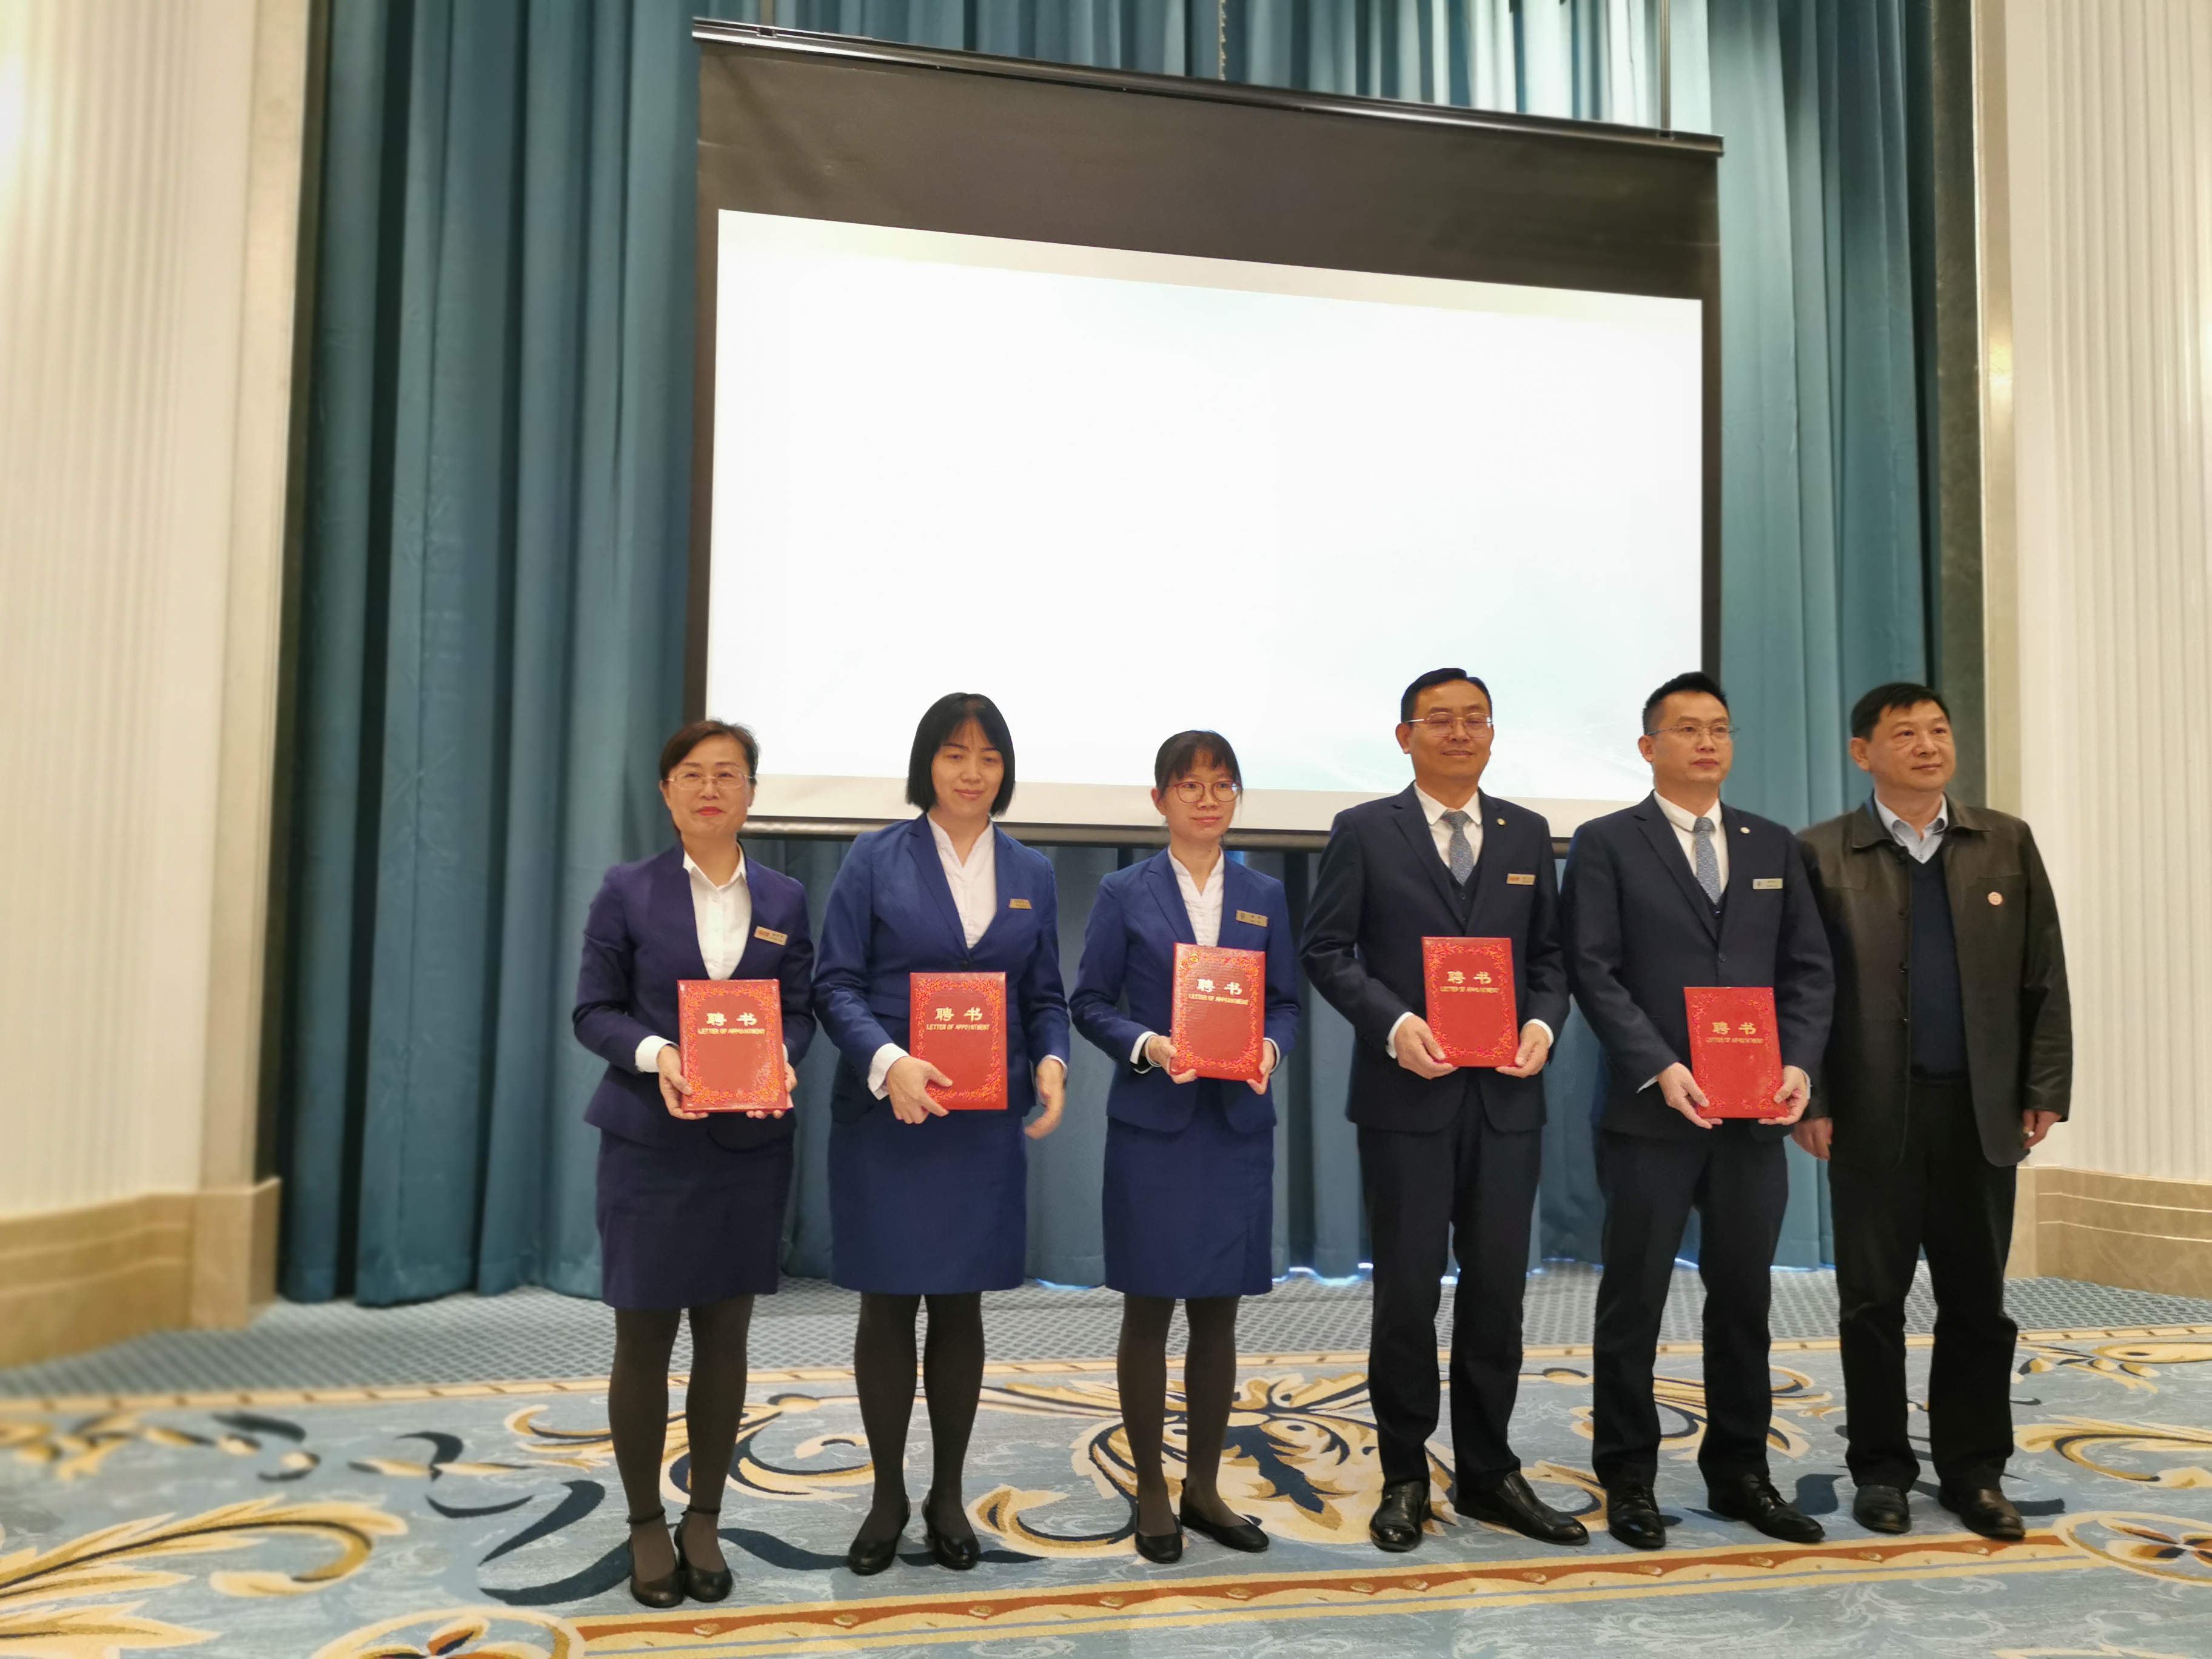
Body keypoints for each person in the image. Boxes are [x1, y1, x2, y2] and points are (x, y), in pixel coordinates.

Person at [1303, 669, 1583, 1554]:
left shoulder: (1526, 832)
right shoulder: (1364, 830)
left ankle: (1492, 1471)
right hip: (1406, 1098)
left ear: (1492, 734)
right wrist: (1394, 1024)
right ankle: (1404, 1475)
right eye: (1439, 720)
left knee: (1498, 1295)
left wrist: (1542, 1023)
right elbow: (1326, 949)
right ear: (1405, 736)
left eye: (1475, 719)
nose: (1459, 733)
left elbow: (1551, 958)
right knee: (1407, 1295)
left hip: (1507, 1099)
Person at [1559, 671, 1834, 1551]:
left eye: (1719, 728)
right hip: (1653, 1113)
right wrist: (1658, 1065)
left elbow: (1809, 969)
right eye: (1687, 729)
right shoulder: (1607, 843)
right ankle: (1628, 1476)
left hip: (1754, 1115)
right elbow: (1593, 969)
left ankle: (1741, 1471)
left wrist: (1799, 1065)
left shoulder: (1771, 844)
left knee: (1745, 1299)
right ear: (1649, 747)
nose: (1707, 742)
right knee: (1633, 1299)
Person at [1795, 683, 2071, 1541]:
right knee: (1871, 1304)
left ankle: (1975, 1471)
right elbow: (1804, 989)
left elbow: (2044, 975)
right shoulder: (1821, 853)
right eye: (1905, 733)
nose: (1927, 746)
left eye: (1939, 730)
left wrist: (2044, 1088)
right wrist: (1815, 1097)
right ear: (1862, 753)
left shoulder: (2006, 842)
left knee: (1978, 1302)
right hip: (1870, 1112)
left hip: (1979, 1111)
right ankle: (1880, 1469)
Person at [813, 693, 1071, 1575]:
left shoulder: (1032, 869)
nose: (972, 771)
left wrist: (1052, 1061)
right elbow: (835, 984)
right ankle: (887, 1494)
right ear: (928, 763)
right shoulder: (873, 857)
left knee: (961, 1304)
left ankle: (948, 1493)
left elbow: (1045, 995)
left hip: (980, 1119)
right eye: (955, 753)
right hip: (889, 1111)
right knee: (888, 1303)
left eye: (989, 756)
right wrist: (890, 1063)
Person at [572, 720, 816, 1607]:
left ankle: (703, 1518)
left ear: (751, 793)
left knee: (725, 1338)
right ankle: (646, 1523)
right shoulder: (626, 890)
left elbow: (798, 1009)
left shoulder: (785, 897)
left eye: (728, 774)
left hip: (748, 1150)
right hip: (648, 1144)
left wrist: (782, 1056)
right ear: (667, 791)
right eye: (692, 774)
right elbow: (593, 1012)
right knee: (643, 1339)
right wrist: (659, 1056)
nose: (711, 788)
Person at [1070, 731, 1301, 1563]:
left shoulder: (1264, 894)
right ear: (1159, 798)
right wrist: (1148, 1045)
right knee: (1149, 1309)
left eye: (1222, 784)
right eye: (1190, 784)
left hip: (1235, 1128)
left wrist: (1269, 1048)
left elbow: (1286, 1003)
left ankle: (1204, 1487)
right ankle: (1152, 1492)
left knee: (1218, 1313)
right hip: (1154, 1127)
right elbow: (1089, 1002)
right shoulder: (1123, 891)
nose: (1207, 799)